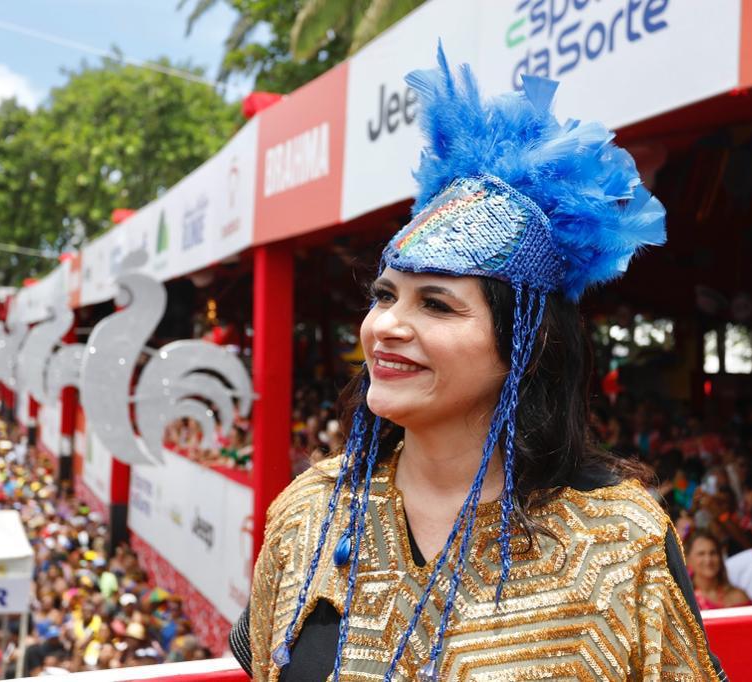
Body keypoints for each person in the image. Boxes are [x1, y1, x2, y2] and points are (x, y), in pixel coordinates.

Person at [231, 46, 725, 681]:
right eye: (384, 295)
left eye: (436, 304)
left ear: (526, 345)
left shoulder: (619, 540)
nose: (385, 327)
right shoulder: (311, 507)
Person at [685, 530, 752, 610]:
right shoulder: (683, 599)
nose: (708, 560)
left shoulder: (738, 597)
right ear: (687, 559)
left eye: (713, 553)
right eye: (701, 554)